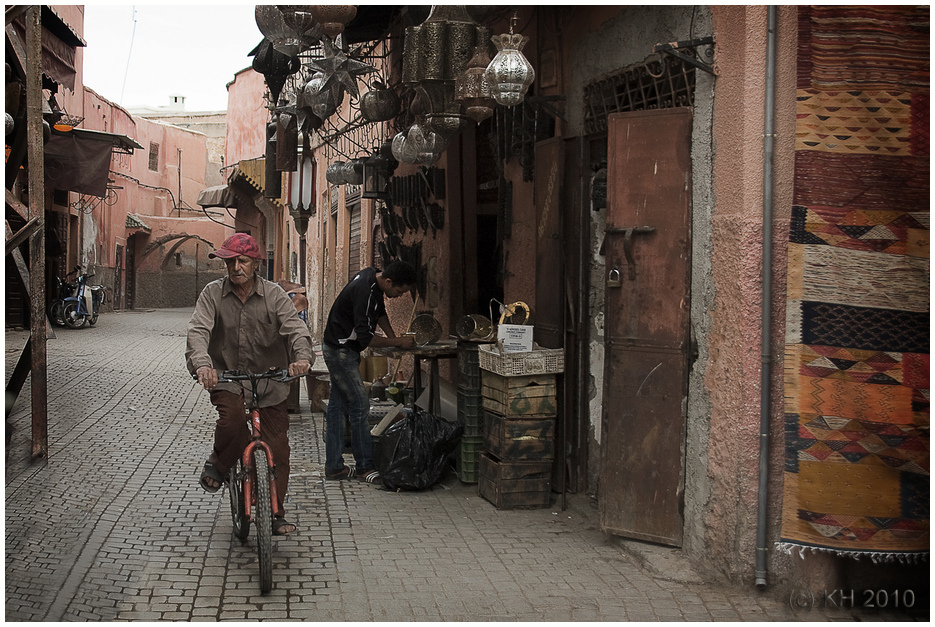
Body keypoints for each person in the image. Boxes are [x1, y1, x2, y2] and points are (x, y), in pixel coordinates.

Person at [186, 233, 313, 536]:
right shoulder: (212, 294)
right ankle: (219, 462)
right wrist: (203, 364)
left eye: (243, 261)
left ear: (256, 263)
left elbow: (296, 330)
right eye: (231, 262)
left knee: (279, 450)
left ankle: (275, 512)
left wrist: (302, 359)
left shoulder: (275, 296)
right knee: (231, 423)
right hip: (227, 377)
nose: (236, 267)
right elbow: (198, 330)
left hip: (270, 381)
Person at [323, 260, 417, 482]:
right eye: (399, 291)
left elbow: (380, 312)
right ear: (389, 281)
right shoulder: (365, 292)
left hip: (340, 347)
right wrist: (398, 343)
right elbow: (366, 339)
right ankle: (365, 466)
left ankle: (334, 467)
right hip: (341, 351)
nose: (399, 295)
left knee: (337, 408)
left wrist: (395, 339)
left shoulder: (372, 277)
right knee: (359, 405)